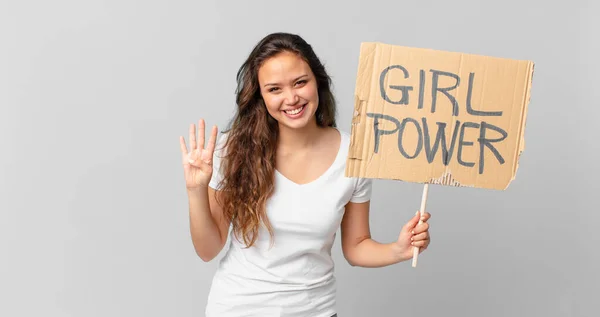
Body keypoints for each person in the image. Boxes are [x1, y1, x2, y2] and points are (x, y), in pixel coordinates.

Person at [179, 32, 431, 317]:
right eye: (275, 89)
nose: (291, 98)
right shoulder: (232, 150)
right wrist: (195, 190)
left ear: (317, 82)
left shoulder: (353, 154)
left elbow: (356, 246)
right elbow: (208, 250)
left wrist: (398, 250)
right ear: (260, 96)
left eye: (300, 82)